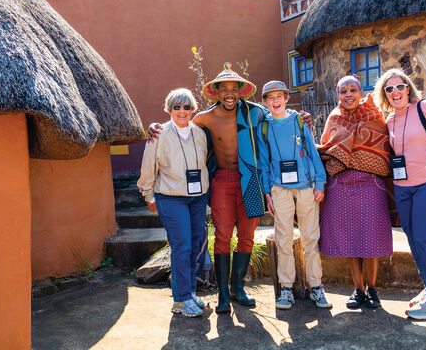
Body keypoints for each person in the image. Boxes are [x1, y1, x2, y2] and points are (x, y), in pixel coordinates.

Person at [148, 63, 269, 314]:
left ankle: (238, 289)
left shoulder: (255, 113)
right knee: (223, 236)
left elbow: (279, 123)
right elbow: (179, 125)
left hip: (251, 180)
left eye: (234, 89)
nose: (229, 93)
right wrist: (154, 128)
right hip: (222, 181)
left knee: (247, 235)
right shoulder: (205, 118)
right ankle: (223, 293)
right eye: (224, 89)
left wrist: (302, 119)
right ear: (216, 92)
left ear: (241, 91)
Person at [375, 68, 426, 320]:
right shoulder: (389, 121)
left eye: (399, 87)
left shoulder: (425, 108)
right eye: (389, 89)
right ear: (384, 95)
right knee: (413, 240)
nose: (395, 92)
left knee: (424, 240)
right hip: (403, 188)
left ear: (408, 88)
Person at [317, 75, 393, 309]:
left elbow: (385, 148)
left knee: (371, 242)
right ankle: (358, 290)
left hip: (371, 185)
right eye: (343, 91)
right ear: (337, 95)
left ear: (361, 92)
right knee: (350, 242)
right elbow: (328, 148)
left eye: (352, 90)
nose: (348, 94)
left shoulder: (376, 117)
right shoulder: (334, 118)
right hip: (341, 186)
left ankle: (373, 289)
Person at [256, 80, 331, 310]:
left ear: (287, 98)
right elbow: (264, 162)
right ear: (265, 102)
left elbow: (313, 151)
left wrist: (320, 182)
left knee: (311, 237)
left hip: (306, 186)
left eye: (279, 96)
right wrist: (267, 191)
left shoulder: (299, 121)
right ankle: (286, 287)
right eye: (270, 98)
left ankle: (316, 286)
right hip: (279, 187)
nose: (275, 101)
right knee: (283, 239)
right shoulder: (264, 127)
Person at [137, 88, 210, 318]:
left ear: (192, 110)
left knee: (197, 244)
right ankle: (180, 300)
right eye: (176, 107)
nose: (182, 111)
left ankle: (189, 292)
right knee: (182, 246)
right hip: (170, 198)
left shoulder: (199, 133)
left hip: (197, 198)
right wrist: (148, 195)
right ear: (169, 109)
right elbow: (149, 166)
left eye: (186, 107)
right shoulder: (158, 133)